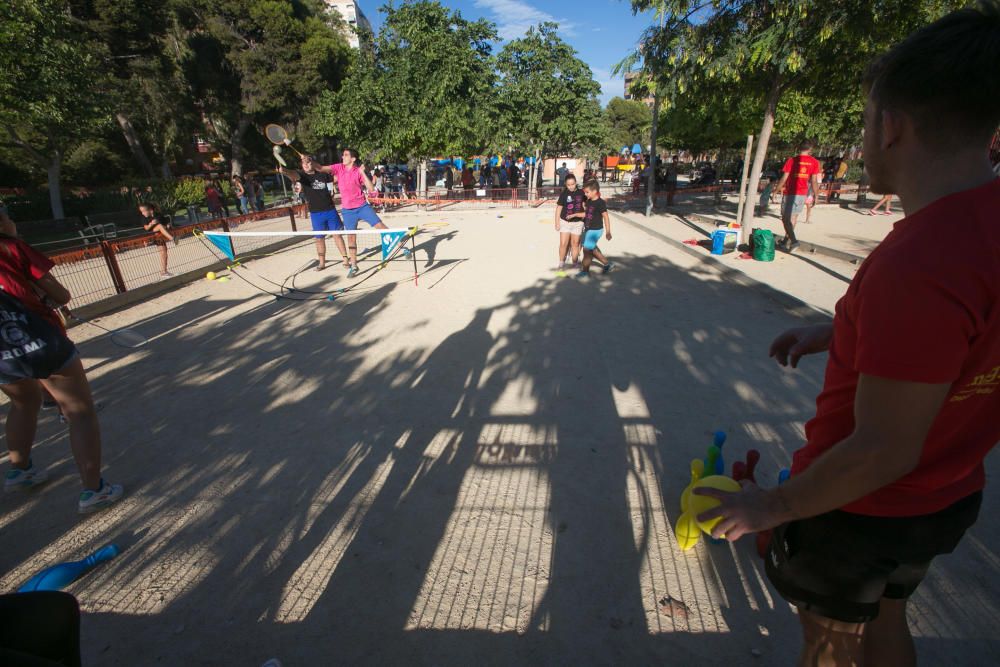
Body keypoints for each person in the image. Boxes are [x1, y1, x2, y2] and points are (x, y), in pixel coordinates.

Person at [695, 5, 1000, 666]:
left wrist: (771, 505)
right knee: (888, 616)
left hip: (861, 510)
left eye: (865, 120)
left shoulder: (919, 260)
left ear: (890, 127)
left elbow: (882, 448)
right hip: (945, 498)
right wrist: (842, 331)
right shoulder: (981, 229)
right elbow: (965, 337)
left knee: (830, 643)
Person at [0, 209, 124, 514]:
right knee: (79, 412)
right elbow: (62, 293)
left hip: (2, 350)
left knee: (23, 402)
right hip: (40, 340)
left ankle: (20, 471)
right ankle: (94, 490)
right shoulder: (12, 248)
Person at [317, 149, 407, 276]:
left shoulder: (358, 172)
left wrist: (362, 172)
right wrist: (309, 161)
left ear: (353, 159)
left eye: (346, 155)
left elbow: (371, 190)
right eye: (343, 154)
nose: (343, 156)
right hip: (348, 211)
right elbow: (320, 168)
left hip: (362, 207)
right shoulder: (339, 168)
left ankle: (401, 245)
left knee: (380, 226)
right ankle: (354, 266)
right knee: (351, 238)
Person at [280, 155, 350, 272]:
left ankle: (345, 259)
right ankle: (322, 263)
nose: (306, 165)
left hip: (330, 210)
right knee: (319, 239)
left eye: (308, 162)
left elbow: (334, 180)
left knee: (337, 236)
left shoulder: (323, 174)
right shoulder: (302, 176)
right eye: (303, 163)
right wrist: (285, 171)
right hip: (316, 213)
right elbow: (293, 174)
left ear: (312, 163)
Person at [774, 139, 822, 252]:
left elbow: (784, 178)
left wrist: (776, 190)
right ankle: (786, 241)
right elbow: (814, 181)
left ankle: (794, 241)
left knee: (786, 219)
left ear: (799, 148)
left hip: (790, 193)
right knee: (793, 218)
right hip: (802, 193)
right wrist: (816, 195)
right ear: (810, 149)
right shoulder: (815, 162)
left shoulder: (791, 160)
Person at [576, 180, 614, 278]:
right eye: (585, 192)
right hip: (588, 229)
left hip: (596, 230)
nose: (585, 194)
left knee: (586, 250)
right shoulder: (589, 201)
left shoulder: (600, 203)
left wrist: (608, 232)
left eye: (587, 192)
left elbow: (606, 217)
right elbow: (587, 214)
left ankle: (585, 271)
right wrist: (575, 215)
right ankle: (607, 264)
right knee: (592, 249)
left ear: (595, 191)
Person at [553, 174, 586, 271]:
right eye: (569, 185)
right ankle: (561, 263)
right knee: (563, 243)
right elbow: (559, 208)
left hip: (578, 223)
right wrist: (557, 222)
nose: (571, 186)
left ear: (576, 183)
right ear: (566, 185)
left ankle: (575, 261)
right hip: (565, 222)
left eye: (573, 184)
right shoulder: (564, 194)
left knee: (575, 243)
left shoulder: (581, 193)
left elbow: (584, 206)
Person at [139, 203, 177, 278]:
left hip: (160, 237)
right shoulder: (144, 218)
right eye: (141, 212)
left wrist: (168, 225)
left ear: (150, 210)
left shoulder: (159, 215)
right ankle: (172, 239)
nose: (142, 213)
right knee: (159, 226)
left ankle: (164, 271)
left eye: (144, 211)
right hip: (152, 235)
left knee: (164, 253)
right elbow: (146, 228)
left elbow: (166, 223)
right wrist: (151, 224)